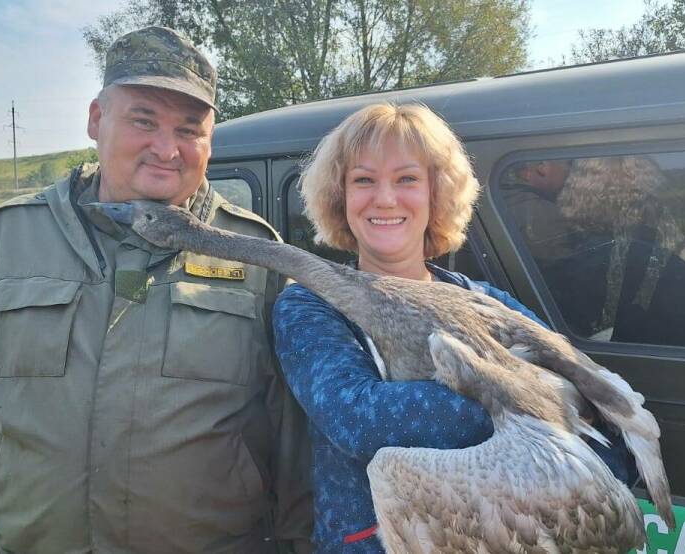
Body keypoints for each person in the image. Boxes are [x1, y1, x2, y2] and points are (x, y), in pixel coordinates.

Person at [0, 27, 313, 553]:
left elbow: (297, 444)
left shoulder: (251, 252)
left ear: (210, 140)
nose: (166, 148)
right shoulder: (11, 238)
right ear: (95, 118)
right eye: (143, 120)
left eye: (189, 129)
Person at [270, 103, 636, 553]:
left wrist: (553, 411)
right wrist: (527, 402)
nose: (385, 198)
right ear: (339, 197)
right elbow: (360, 420)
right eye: (363, 180)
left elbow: (602, 419)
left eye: (407, 179)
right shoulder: (310, 304)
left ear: (436, 194)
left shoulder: (485, 301)